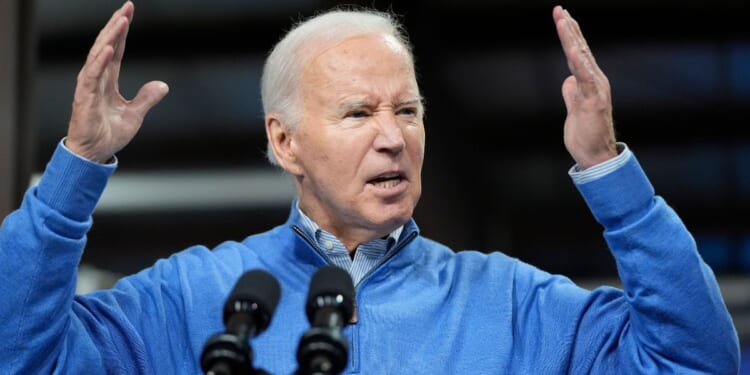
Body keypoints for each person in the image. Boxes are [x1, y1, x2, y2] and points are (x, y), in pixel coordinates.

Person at [0, 1, 740, 373]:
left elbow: (697, 361)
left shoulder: (517, 306)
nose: (393, 135)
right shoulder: (190, 297)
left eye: (407, 110)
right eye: (358, 112)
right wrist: (75, 168)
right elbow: (19, 355)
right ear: (284, 141)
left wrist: (610, 172)